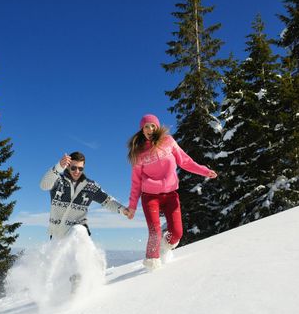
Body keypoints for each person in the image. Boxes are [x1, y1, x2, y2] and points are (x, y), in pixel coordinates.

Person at [126, 114, 217, 271]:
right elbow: (136, 183)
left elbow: (185, 161)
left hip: (170, 194)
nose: (149, 129)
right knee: (155, 231)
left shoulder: (168, 142)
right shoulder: (139, 153)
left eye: (152, 126)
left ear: (158, 127)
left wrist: (205, 171)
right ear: (142, 130)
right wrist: (132, 206)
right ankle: (152, 265)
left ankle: (163, 248)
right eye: (146, 126)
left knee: (177, 233)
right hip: (150, 196)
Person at [40, 151, 130, 240]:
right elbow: (44, 185)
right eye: (73, 168)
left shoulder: (90, 186)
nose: (77, 171)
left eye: (80, 168)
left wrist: (123, 210)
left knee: (77, 231)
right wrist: (58, 167)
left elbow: (107, 201)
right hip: (56, 234)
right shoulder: (58, 181)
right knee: (57, 253)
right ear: (67, 167)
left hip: (78, 231)